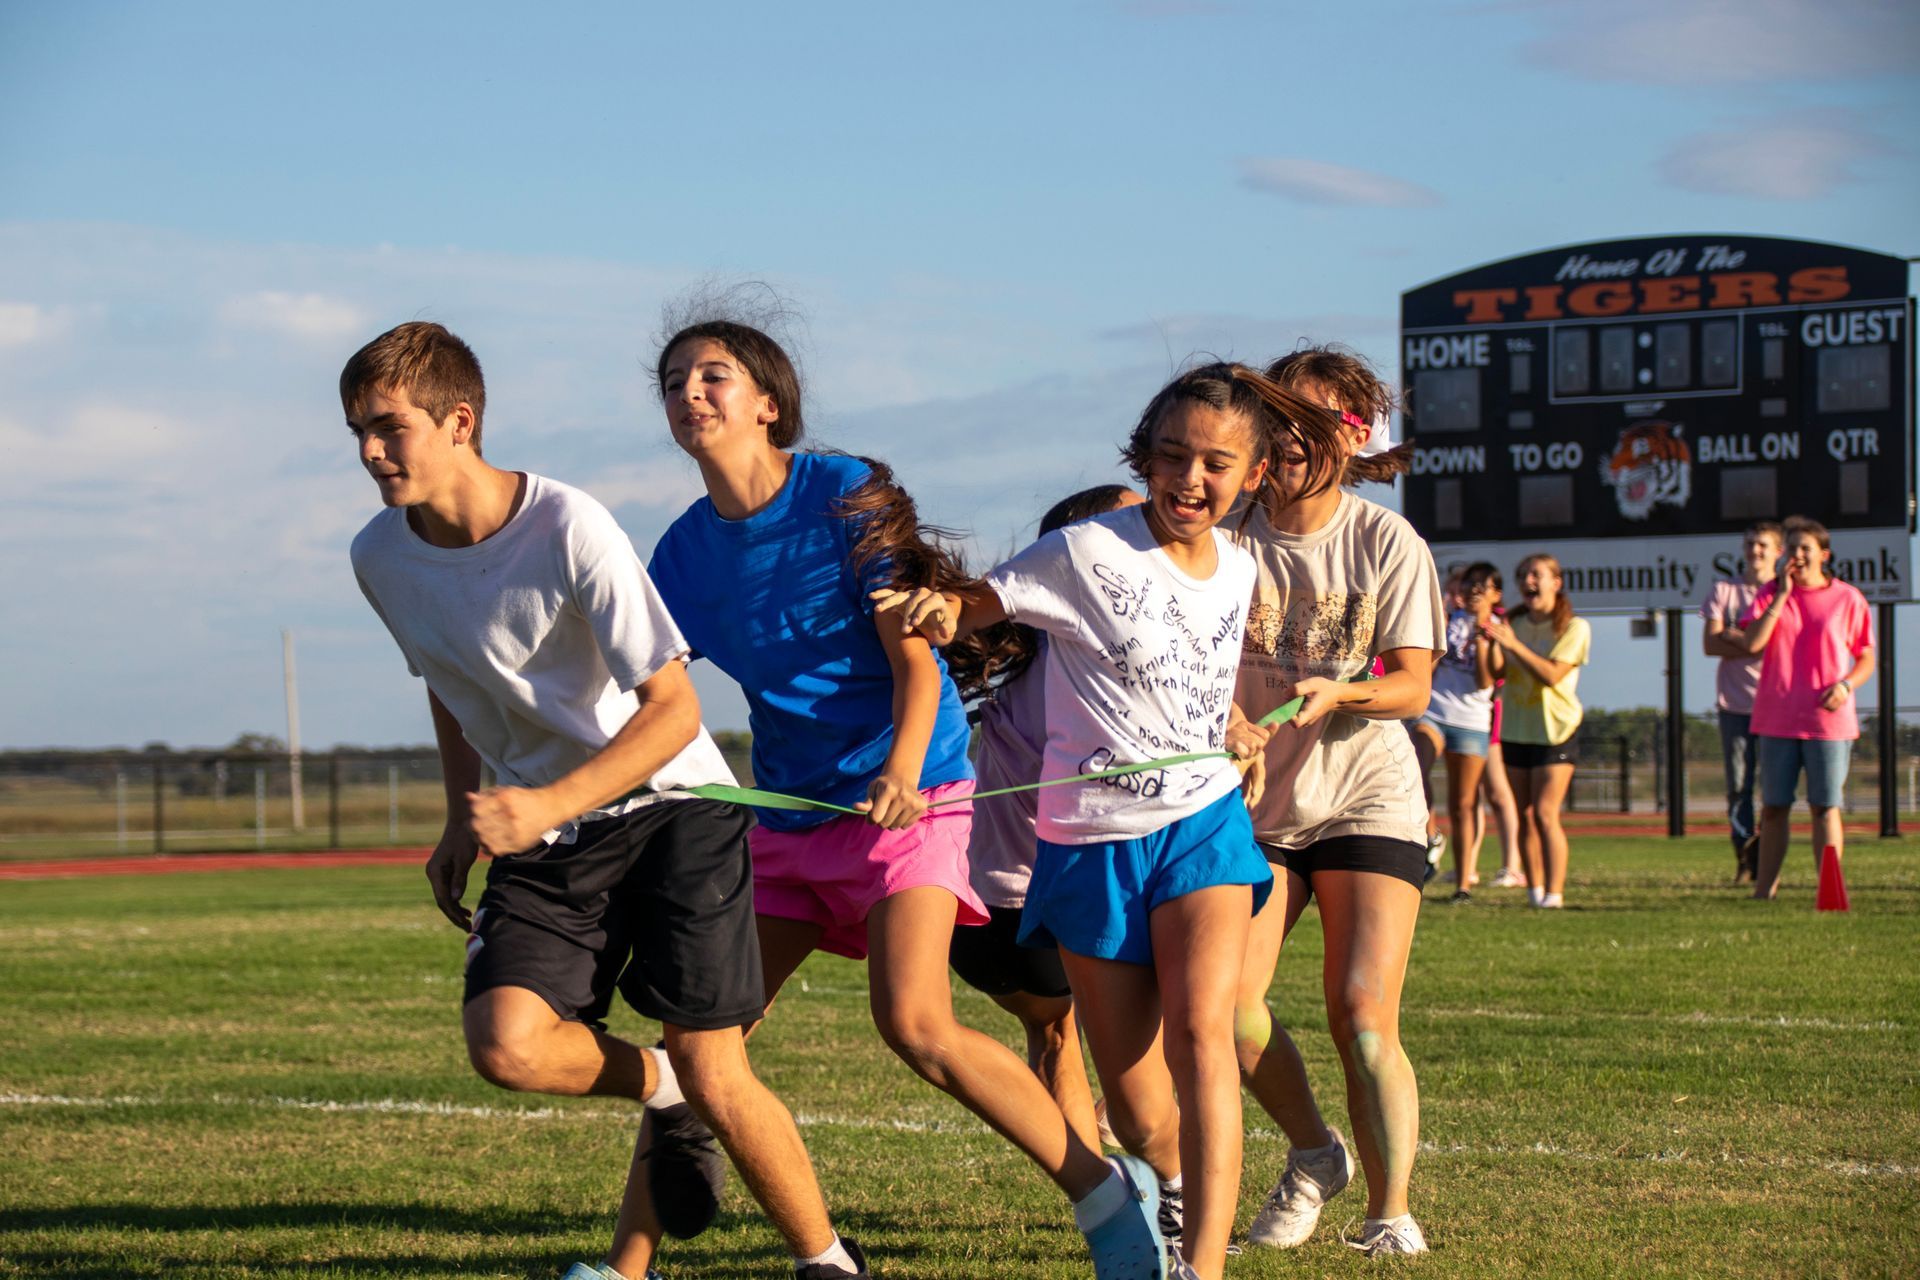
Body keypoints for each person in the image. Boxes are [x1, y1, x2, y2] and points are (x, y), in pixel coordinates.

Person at [645, 319, 1166, 1279]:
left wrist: (900, 770)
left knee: (915, 1023)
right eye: (673, 381)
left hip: (914, 791)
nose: (689, 393)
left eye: (712, 375)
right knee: (699, 1046)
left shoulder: (841, 493)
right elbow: (645, 695)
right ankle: (626, 1268)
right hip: (794, 818)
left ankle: (1109, 1201)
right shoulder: (678, 557)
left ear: (769, 400)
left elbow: (914, 664)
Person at [340, 321, 858, 1280]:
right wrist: (463, 813)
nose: (371, 453)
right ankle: (656, 1086)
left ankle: (828, 1263)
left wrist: (541, 806)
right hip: (550, 824)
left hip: (674, 805)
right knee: (509, 1047)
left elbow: (672, 712)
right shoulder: (380, 555)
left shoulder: (567, 523)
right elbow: (450, 684)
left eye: (390, 428)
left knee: (716, 1064)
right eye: (359, 433)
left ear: (459, 422)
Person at [882, 361, 1299, 1280]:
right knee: (1140, 1108)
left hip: (1202, 826)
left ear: (1254, 475)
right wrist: (944, 608)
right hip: (1087, 849)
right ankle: (1171, 1186)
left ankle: (1202, 1269)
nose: (1192, 480)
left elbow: (1194, 672)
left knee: (1204, 1034)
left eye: (1217, 464)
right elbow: (985, 600)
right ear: (1142, 458)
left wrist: (1230, 727)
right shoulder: (1083, 552)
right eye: (1173, 457)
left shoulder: (1240, 567)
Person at [1226, 345, 1443, 1259]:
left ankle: (1389, 1217)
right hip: (1256, 804)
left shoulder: (1386, 541)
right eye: (1276, 419)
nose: (1286, 440)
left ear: (1351, 440)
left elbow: (1413, 687)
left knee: (1362, 1015)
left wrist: (1339, 692)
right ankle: (1316, 1153)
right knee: (1226, 1008)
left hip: (1367, 797)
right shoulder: (1223, 533)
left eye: (1310, 423)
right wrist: (1229, 721)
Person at [945, 484, 1141, 1164]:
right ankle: (1123, 1128)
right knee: (1204, 996)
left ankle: (1099, 1194)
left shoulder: (1015, 655)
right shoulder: (1096, 672)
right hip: (1051, 907)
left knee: (1054, 1037)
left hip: (973, 917)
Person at [1733, 517, 1874, 900]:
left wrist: (1846, 685)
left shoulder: (1848, 598)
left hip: (1828, 722)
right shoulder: (1769, 593)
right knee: (1774, 809)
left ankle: (1830, 892)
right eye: (1791, 548)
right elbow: (1752, 643)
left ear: (1823, 555)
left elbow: (1865, 657)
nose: (1797, 555)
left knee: (1824, 808)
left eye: (1805, 548)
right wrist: (1780, 594)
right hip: (1777, 718)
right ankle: (1764, 892)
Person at [1481, 554, 1590, 909]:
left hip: (1556, 730)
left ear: (1556, 583)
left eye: (1537, 574)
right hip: (1516, 728)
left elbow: (1552, 675)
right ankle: (1534, 892)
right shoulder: (1513, 622)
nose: (1529, 581)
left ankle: (1554, 894)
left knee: (1545, 813)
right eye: (1523, 574)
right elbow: (1494, 673)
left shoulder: (1574, 627)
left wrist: (1512, 644)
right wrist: (1490, 639)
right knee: (1525, 813)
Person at [1700, 522, 1785, 882]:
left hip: (1777, 705)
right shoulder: (1724, 590)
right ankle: (1744, 857)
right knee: (1738, 787)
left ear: (1779, 551)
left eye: (1763, 544)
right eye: (1750, 543)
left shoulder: (1783, 592)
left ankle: (1764, 857)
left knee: (1774, 790)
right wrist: (1750, 640)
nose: (1756, 550)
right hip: (1734, 705)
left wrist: (1738, 636)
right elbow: (1710, 644)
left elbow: (1780, 646)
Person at [1420, 562, 1502, 901]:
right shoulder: (1448, 620)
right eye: (1469, 586)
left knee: (1464, 803)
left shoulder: (1498, 629)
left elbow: (1486, 680)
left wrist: (1483, 636)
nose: (1473, 593)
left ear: (1495, 595)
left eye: (1482, 588)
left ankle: (1463, 882)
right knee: (1414, 771)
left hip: (1471, 722)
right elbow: (1427, 666)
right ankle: (1430, 834)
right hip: (1435, 712)